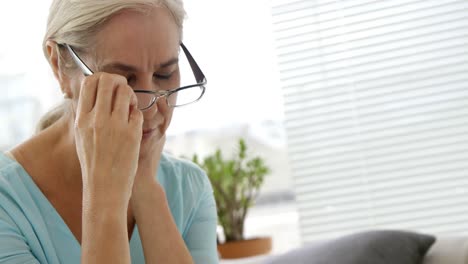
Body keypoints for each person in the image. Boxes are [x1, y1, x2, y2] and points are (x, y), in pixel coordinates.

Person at [0, 0, 218, 263]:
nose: (149, 112)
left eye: (165, 74)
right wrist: (105, 199)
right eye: (124, 81)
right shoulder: (7, 202)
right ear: (59, 66)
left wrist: (145, 187)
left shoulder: (189, 190)